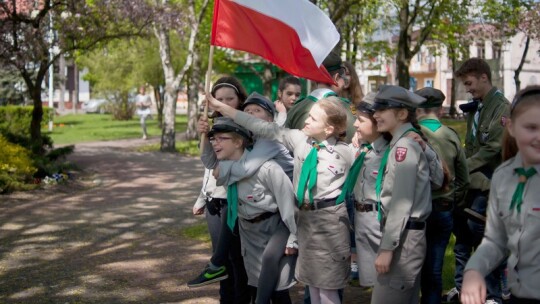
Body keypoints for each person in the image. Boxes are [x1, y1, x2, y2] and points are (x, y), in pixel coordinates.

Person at [206, 93, 353, 304]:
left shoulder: (345, 152)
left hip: (330, 222)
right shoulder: (299, 139)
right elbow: (260, 126)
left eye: (312, 118)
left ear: (328, 129)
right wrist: (221, 106)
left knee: (328, 289)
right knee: (313, 286)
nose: (305, 120)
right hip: (303, 218)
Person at [204, 117, 298, 304]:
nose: (215, 143)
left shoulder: (268, 169)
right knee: (254, 285)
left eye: (222, 138)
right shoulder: (227, 170)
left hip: (274, 231)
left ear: (239, 141)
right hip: (249, 236)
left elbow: (289, 206)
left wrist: (293, 238)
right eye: (213, 139)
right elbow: (207, 160)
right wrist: (202, 135)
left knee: (278, 292)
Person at [460, 85, 540, 304]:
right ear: (512, 128)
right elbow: (496, 240)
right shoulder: (503, 177)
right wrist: (474, 270)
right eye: (531, 127)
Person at [446, 58, 511, 303]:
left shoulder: (501, 108)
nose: (468, 88)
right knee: (462, 236)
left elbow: (492, 148)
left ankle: (494, 293)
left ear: (484, 77)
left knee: (485, 238)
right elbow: (472, 145)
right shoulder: (478, 107)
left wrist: (461, 167)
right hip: (469, 183)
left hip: (487, 184)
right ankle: (462, 287)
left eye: (470, 83)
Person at [188, 76, 251, 304]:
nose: (223, 103)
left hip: (234, 200)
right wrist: (203, 135)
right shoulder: (213, 124)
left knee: (236, 258)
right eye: (219, 98)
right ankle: (226, 299)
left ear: (239, 100)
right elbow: (209, 164)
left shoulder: (246, 125)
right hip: (213, 200)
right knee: (221, 261)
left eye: (229, 99)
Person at [369, 85, 433, 304]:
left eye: (382, 108)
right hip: (403, 235)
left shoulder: (404, 147)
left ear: (403, 113)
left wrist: (387, 248)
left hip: (404, 238)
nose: (375, 114)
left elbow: (401, 203)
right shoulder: (403, 144)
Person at [415, 87, 470, 304]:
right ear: (439, 110)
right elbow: (464, 178)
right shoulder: (451, 136)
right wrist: (455, 199)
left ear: (418, 109)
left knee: (414, 265)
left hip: (416, 208)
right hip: (444, 206)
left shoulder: (411, 135)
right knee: (435, 267)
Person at [285, 51, 357, 143]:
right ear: (336, 78)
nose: (344, 84)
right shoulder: (345, 107)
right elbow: (353, 142)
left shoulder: (296, 108)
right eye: (343, 78)